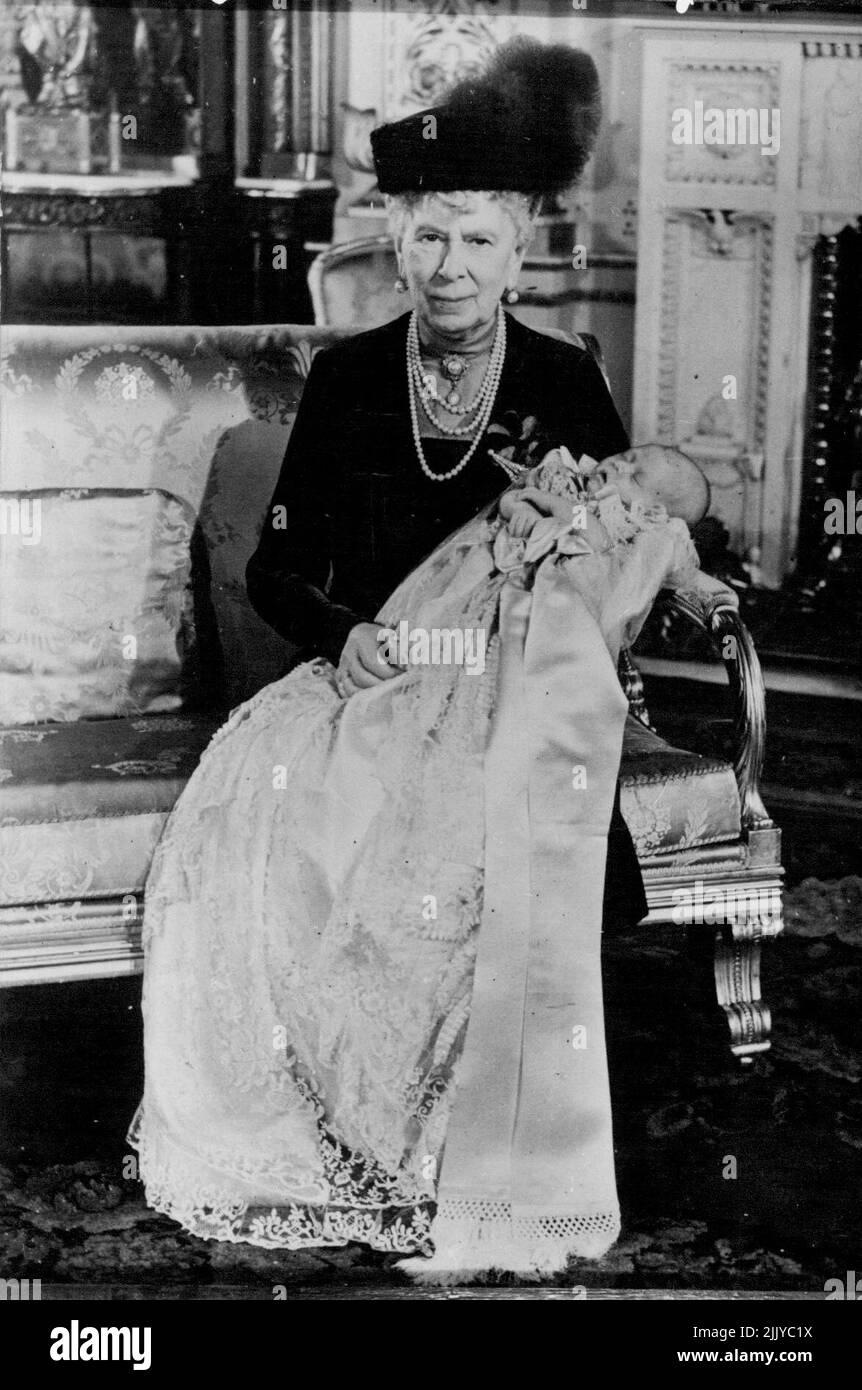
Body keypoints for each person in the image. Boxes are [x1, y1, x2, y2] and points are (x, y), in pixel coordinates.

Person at [129, 38, 701, 1281]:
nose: (452, 268)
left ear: (519, 252)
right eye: (429, 237)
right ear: (396, 239)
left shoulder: (563, 378)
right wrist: (351, 634)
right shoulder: (343, 382)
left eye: (480, 242)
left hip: (522, 704)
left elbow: (618, 546)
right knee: (326, 839)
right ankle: (386, 1140)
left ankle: (497, 1146)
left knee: (513, 831)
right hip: (378, 685)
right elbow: (277, 573)